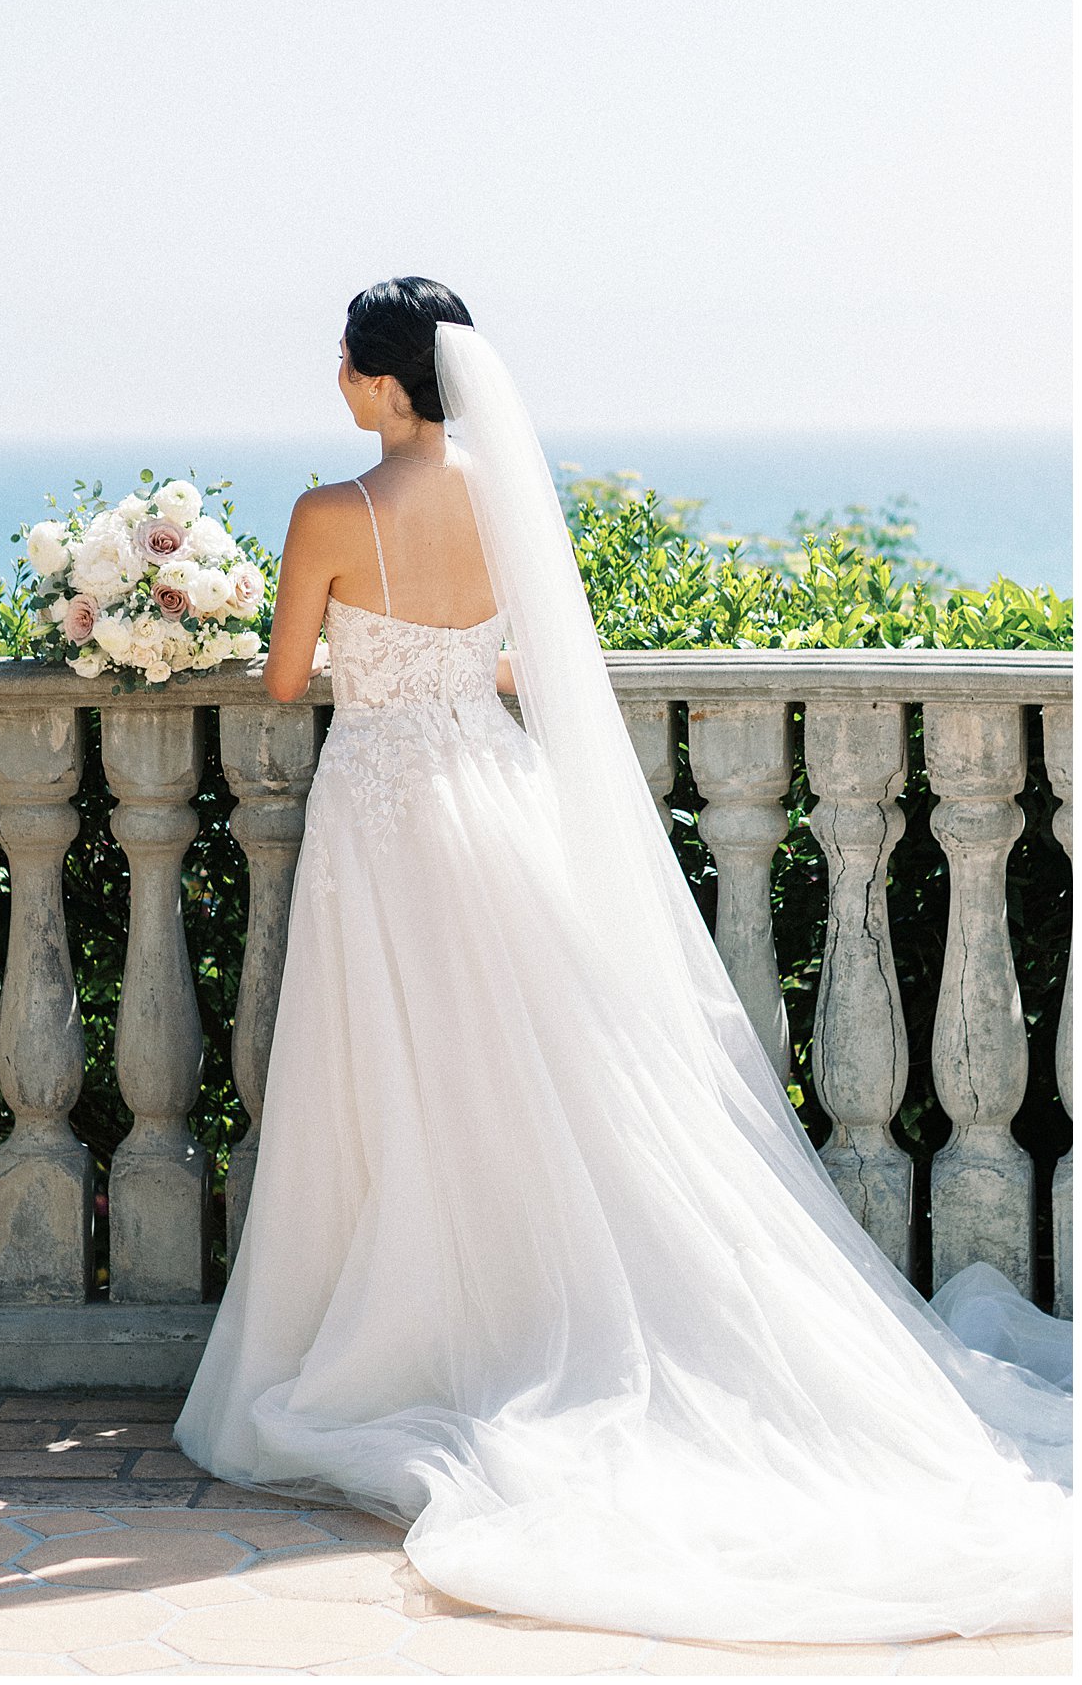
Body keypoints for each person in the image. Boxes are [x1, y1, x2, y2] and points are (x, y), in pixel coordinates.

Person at [173, 278, 1071, 1643]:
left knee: (398, 1066)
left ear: (369, 378)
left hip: (389, 813)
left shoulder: (328, 514)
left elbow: (290, 681)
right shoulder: (503, 493)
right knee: (550, 1066)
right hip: (497, 793)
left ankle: (431, 1323)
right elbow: (532, 664)